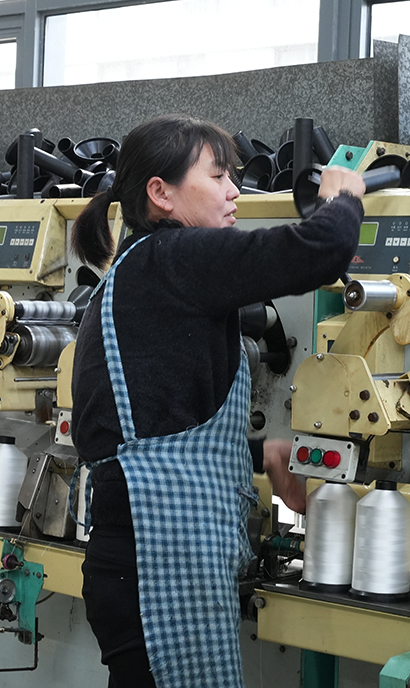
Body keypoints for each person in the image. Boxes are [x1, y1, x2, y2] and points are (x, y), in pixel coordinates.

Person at [70, 113, 366, 688]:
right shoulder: (174, 256)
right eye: (217, 175)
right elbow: (319, 251)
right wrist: (342, 199)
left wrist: (260, 454)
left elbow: (161, 429)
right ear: (161, 194)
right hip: (154, 566)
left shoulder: (141, 270)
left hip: (141, 560)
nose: (235, 191)